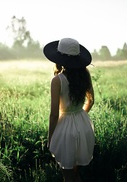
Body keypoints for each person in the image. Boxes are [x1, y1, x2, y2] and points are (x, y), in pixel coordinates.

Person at [43, 38, 95, 182]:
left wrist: (50, 138)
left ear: (59, 58)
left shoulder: (57, 80)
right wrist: (80, 117)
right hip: (83, 125)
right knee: (76, 173)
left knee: (68, 175)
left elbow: (54, 114)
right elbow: (91, 101)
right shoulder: (85, 75)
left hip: (66, 130)